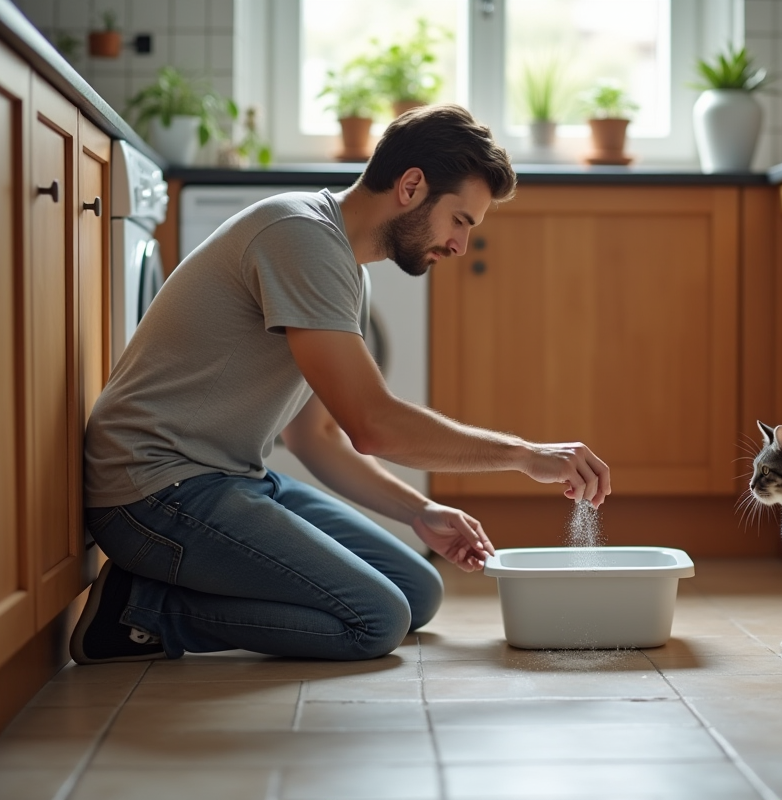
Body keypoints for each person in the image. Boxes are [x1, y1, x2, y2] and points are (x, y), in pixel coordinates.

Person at [70, 104, 611, 665]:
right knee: (376, 620)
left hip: (226, 478)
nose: (459, 246)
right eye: (460, 221)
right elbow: (372, 425)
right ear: (411, 186)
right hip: (150, 491)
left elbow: (315, 437)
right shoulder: (299, 235)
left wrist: (419, 512)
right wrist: (524, 455)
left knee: (418, 591)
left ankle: (174, 590)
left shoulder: (348, 270)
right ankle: (142, 612)